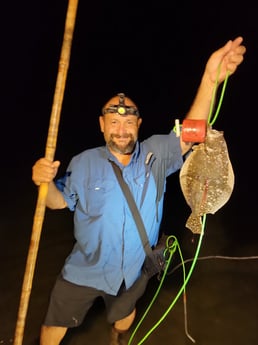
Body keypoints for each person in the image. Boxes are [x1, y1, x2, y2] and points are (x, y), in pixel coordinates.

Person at [32, 36, 246, 345]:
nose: (121, 128)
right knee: (55, 324)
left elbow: (192, 131)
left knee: (124, 315)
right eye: (113, 121)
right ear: (102, 125)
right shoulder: (82, 163)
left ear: (139, 124)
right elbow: (55, 202)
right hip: (85, 270)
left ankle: (117, 337)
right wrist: (45, 182)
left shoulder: (156, 154)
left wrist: (210, 78)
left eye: (129, 120)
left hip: (133, 271)